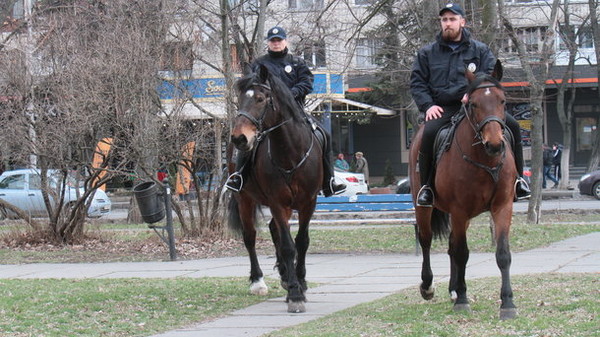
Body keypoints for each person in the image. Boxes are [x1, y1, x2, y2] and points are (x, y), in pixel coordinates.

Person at [410, 3, 530, 207]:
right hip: (443, 107)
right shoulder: (427, 53)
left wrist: (472, 94)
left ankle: (519, 180)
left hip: (479, 106)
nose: (448, 23)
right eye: (444, 20)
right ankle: (427, 188)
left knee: (514, 126)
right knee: (428, 134)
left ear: (462, 22)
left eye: (452, 19)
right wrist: (428, 105)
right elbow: (417, 82)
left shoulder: (480, 50)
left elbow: (490, 78)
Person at [225, 26, 346, 196]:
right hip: (267, 114)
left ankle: (329, 181)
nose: (276, 44)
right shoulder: (259, 64)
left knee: (324, 134)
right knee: (248, 140)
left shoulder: (297, 63)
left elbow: (306, 82)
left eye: (279, 40)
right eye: (273, 41)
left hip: (295, 112)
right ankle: (239, 176)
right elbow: (249, 85)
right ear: (268, 43)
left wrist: (290, 95)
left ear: (285, 41)